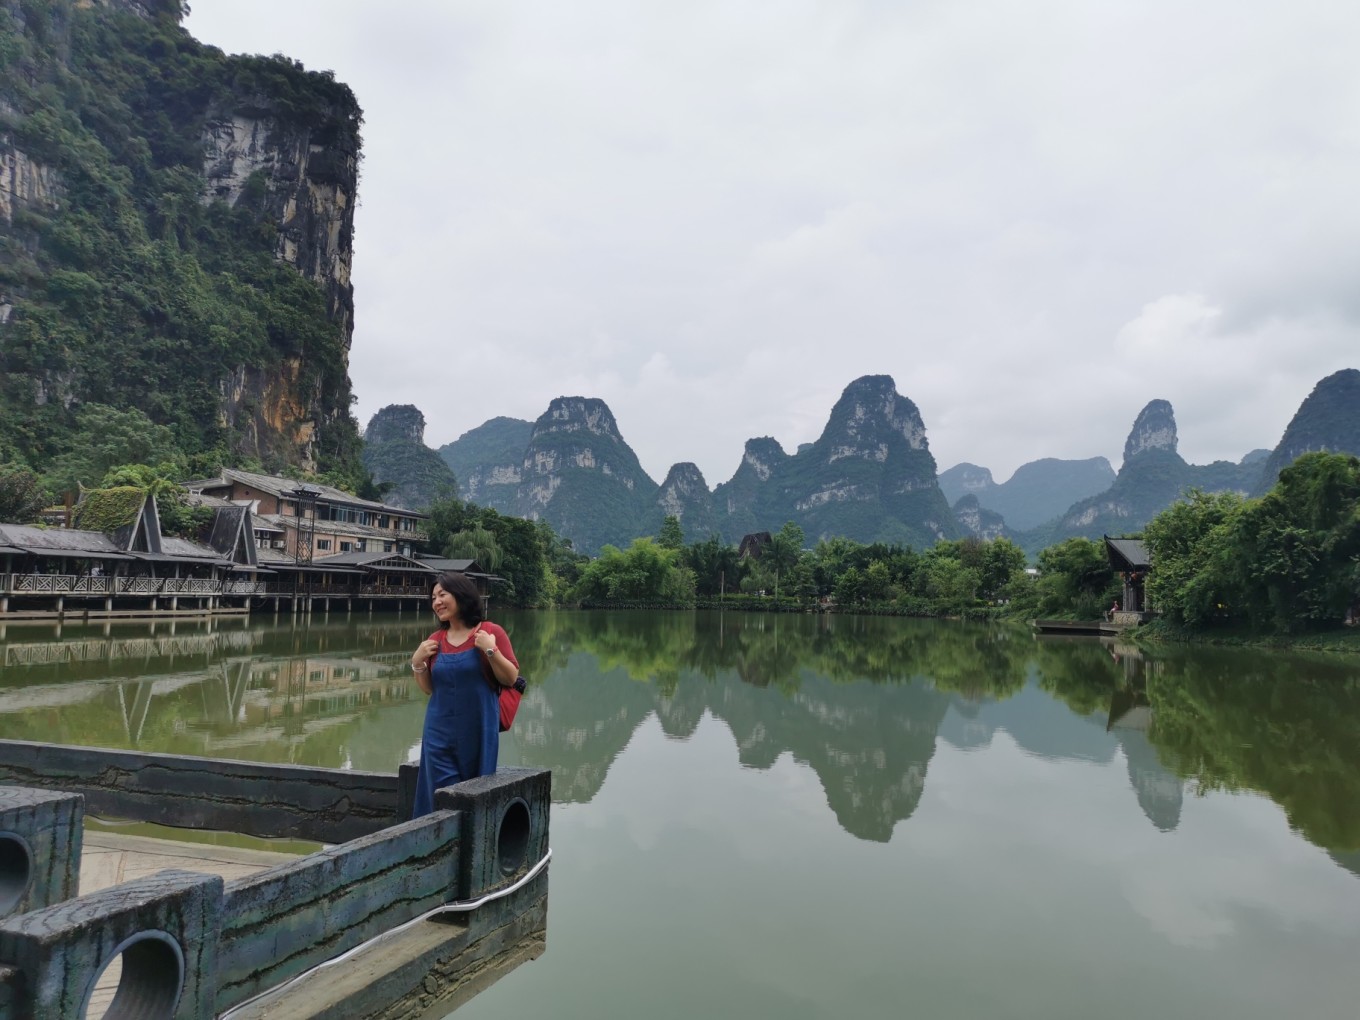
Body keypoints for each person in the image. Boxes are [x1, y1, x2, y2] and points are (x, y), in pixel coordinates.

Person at [409, 571, 519, 817]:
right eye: (433, 597)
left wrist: (491, 651)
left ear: (461, 595)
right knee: (444, 797)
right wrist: (417, 662)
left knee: (474, 795)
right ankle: (435, 849)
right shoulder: (435, 640)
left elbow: (510, 678)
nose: (436, 601)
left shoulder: (491, 632)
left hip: (478, 730)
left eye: (442, 594)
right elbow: (429, 688)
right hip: (438, 733)